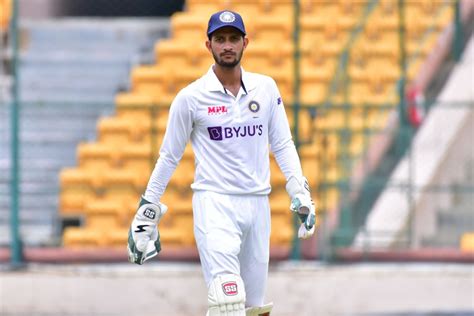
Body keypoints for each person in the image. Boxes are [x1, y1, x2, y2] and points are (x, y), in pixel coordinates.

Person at [127, 10, 316, 316]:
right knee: (228, 300)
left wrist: (300, 191)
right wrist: (148, 206)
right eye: (220, 39)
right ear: (209, 46)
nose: (227, 45)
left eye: (233, 39)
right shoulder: (191, 98)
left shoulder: (266, 88)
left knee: (254, 308)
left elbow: (282, 143)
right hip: (215, 204)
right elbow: (169, 156)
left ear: (245, 43)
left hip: (257, 205)